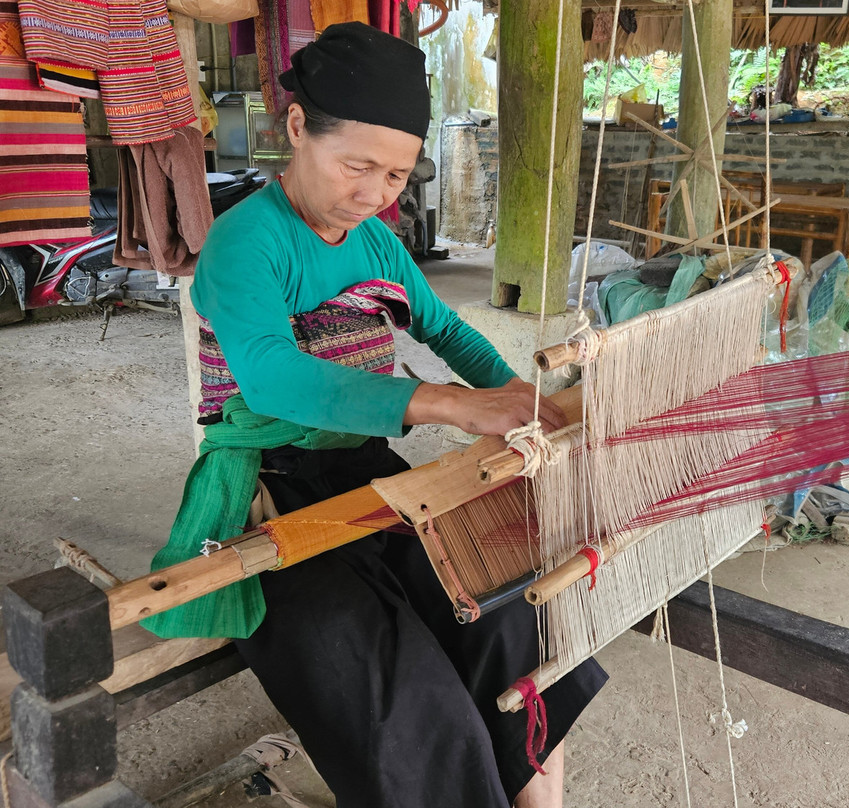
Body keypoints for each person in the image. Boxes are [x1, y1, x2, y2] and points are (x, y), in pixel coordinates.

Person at [142, 21, 606, 808]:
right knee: (391, 680)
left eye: (396, 175)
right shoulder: (246, 242)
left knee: (501, 610)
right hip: (268, 493)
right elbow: (275, 380)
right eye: (357, 166)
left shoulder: (378, 242)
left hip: (367, 477)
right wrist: (452, 405)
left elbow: (448, 330)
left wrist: (519, 406)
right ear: (296, 128)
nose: (375, 194)